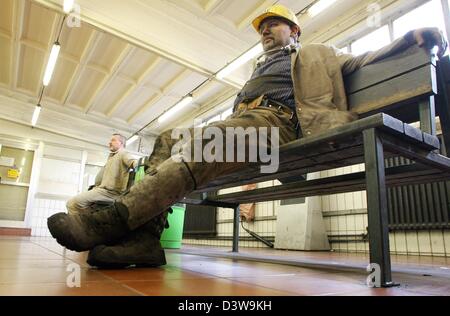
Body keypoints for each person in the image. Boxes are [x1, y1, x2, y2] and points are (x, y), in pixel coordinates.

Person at [47, 4, 447, 268]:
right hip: (246, 124)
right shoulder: (256, 71)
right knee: (169, 137)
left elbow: (361, 59)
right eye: (261, 28)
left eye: (272, 24)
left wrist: (412, 37)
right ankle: (146, 240)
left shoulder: (317, 54)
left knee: (210, 139)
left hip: (279, 125)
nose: (265, 31)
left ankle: (111, 223)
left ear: (294, 29)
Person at [66, 134, 137, 215]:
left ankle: (83, 225)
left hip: (110, 193)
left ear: (121, 143)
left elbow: (135, 163)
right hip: (101, 190)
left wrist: (143, 166)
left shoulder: (123, 154)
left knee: (72, 203)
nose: (109, 143)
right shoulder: (112, 156)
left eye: (113, 140)